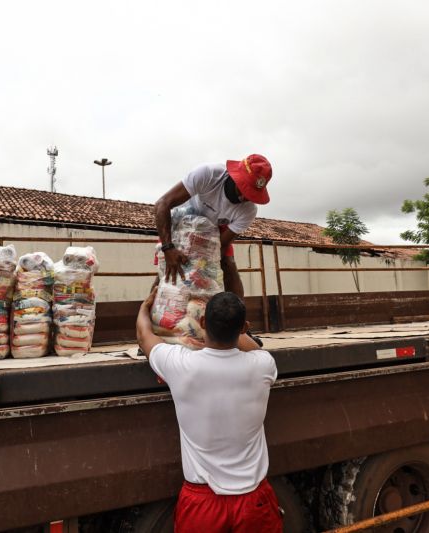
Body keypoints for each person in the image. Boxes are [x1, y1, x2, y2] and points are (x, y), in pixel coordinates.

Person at [136, 289, 282, 533]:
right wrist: (239, 330)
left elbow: (144, 335)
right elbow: (253, 347)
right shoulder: (263, 366)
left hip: (201, 504)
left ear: (203, 322)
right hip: (253, 502)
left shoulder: (181, 365)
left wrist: (145, 307)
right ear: (244, 326)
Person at [155, 154, 273, 299]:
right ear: (237, 177)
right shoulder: (208, 174)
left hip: (214, 230)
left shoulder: (249, 211)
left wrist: (203, 268)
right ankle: (148, 311)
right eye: (245, 189)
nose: (247, 197)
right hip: (182, 223)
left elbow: (221, 245)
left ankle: (238, 317)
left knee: (229, 264)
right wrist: (168, 248)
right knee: (167, 269)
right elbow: (162, 204)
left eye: (253, 193)